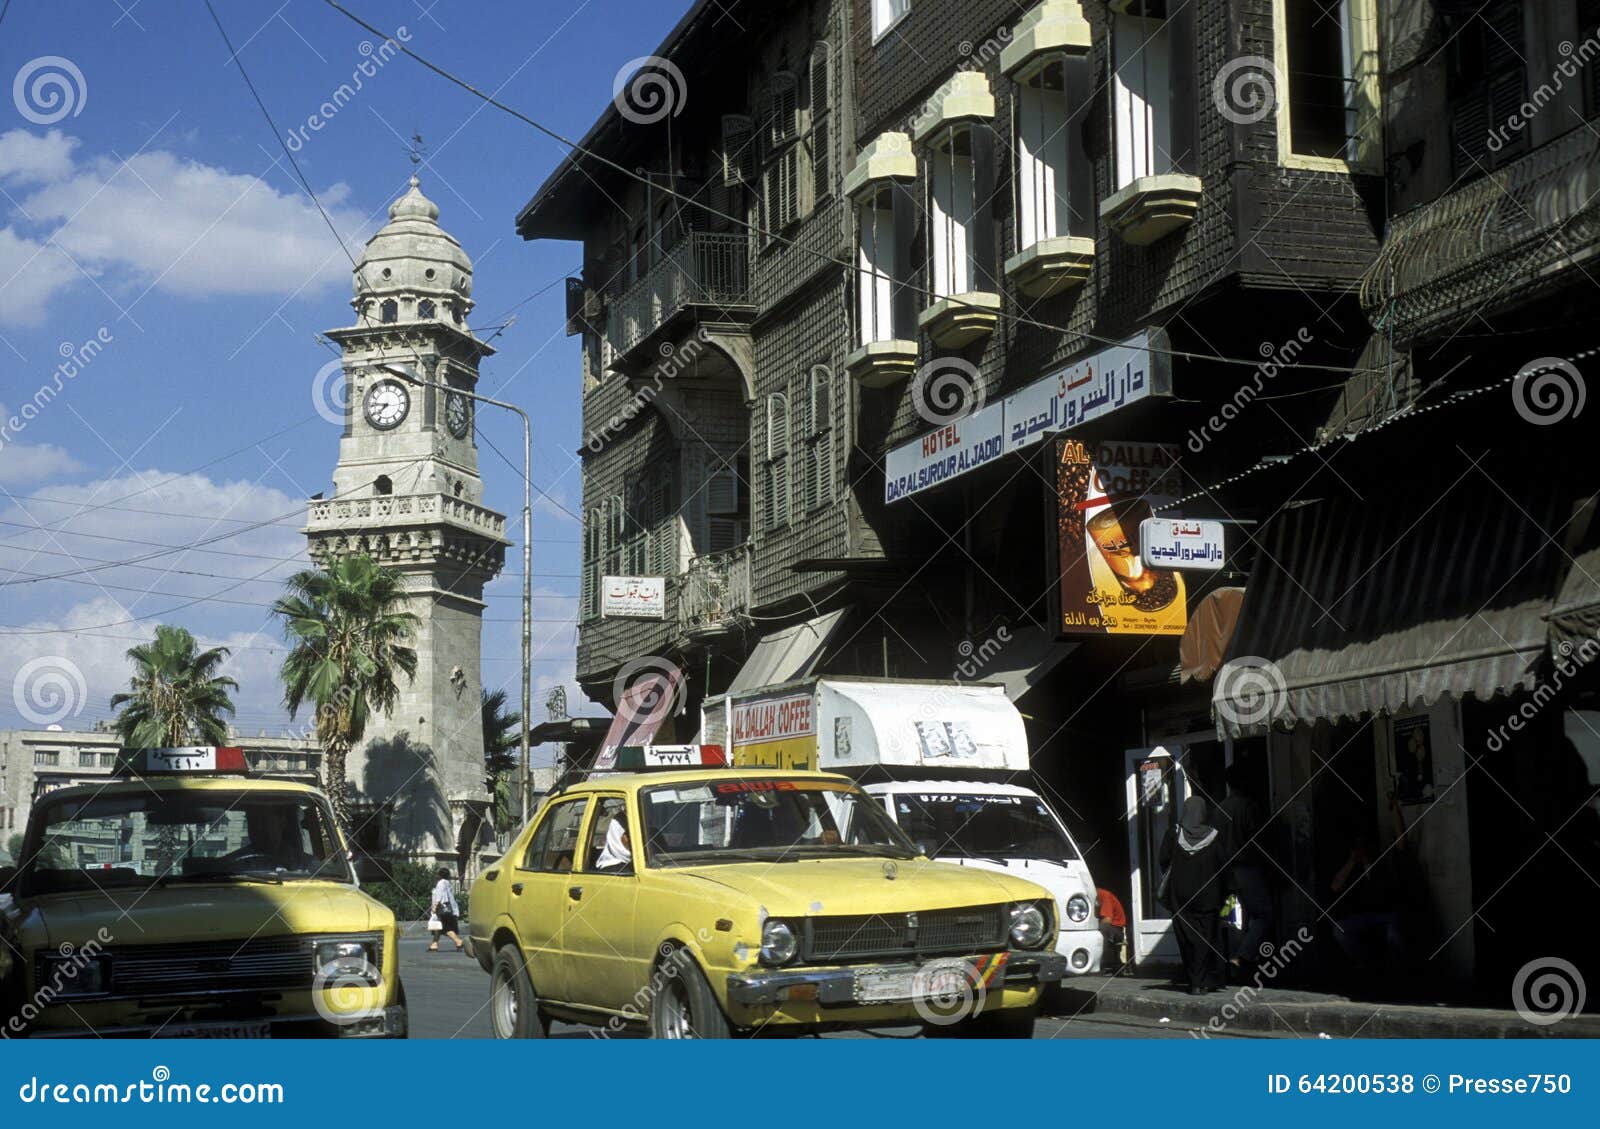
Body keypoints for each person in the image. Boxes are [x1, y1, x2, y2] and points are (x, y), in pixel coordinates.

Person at [1160, 797, 1229, 995]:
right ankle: (1204, 980)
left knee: (1187, 938)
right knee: (1206, 938)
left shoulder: (1174, 834)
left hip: (1179, 897)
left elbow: (1163, 860)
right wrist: (1228, 891)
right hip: (1208, 896)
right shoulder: (1215, 837)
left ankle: (1194, 981)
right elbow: (1224, 867)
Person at [1217, 762, 1274, 979]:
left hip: (1225, 871)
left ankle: (1232, 961)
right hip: (1247, 869)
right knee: (1263, 915)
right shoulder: (1249, 807)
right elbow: (1258, 841)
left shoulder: (1220, 809)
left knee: (1232, 917)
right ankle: (1242, 956)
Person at [428, 867, 463, 952]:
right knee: (438, 926)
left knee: (444, 928)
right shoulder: (447, 882)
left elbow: (440, 896)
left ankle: (458, 941)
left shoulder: (441, 883)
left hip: (442, 909)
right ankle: (434, 944)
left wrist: (435, 907)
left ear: (439, 875)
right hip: (448, 908)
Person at [1096, 887, 1127, 972]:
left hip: (1115, 927)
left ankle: (1102, 963)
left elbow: (1107, 920)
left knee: (1100, 931)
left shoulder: (1104, 895)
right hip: (1111, 927)